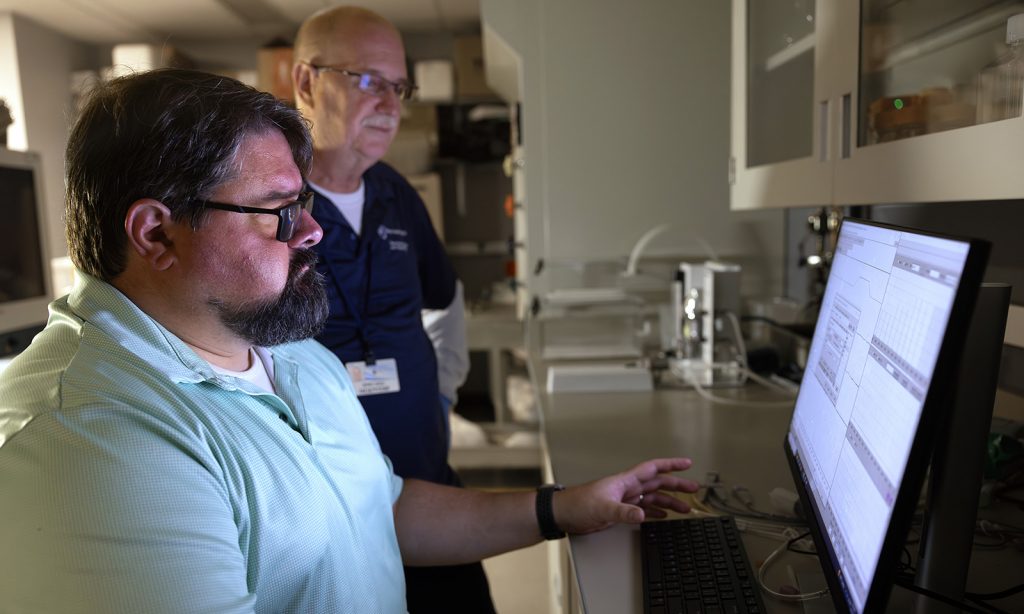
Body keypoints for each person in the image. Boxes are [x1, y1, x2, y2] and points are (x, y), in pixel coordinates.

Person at [0, 68, 700, 614]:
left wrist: (561, 508)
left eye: (303, 204)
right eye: (278, 212)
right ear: (156, 233)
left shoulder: (294, 355)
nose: (312, 233)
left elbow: (380, 508)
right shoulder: (89, 439)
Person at [290, 7, 487, 610]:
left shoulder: (396, 194)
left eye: (398, 86)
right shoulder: (267, 203)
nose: (391, 104)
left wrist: (443, 393)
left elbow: (444, 299)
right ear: (305, 83)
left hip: (429, 480)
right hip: (329, 516)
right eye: (368, 80)